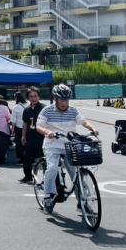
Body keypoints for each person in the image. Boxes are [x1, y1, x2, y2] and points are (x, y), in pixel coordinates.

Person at [35, 84, 98, 213]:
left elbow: (84, 121)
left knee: (77, 173)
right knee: (52, 168)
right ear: (56, 99)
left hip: (70, 146)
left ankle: (82, 201)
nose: (65, 102)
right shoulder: (47, 110)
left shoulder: (73, 111)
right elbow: (38, 126)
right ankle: (48, 196)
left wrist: (92, 128)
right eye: (62, 100)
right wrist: (48, 132)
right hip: (52, 145)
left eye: (66, 100)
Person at [19, 87, 45, 183]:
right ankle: (28, 176)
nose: (33, 98)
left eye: (35, 96)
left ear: (39, 97)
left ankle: (46, 179)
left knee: (44, 159)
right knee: (27, 158)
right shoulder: (26, 110)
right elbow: (25, 123)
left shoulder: (44, 108)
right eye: (31, 96)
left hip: (42, 137)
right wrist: (23, 136)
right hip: (30, 137)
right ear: (28, 98)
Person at [12, 92, 27, 165]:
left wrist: (12, 131)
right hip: (28, 128)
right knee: (27, 143)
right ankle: (28, 157)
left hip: (19, 128)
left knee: (19, 144)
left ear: (16, 98)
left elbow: (13, 121)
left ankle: (21, 159)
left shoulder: (16, 107)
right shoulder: (28, 105)